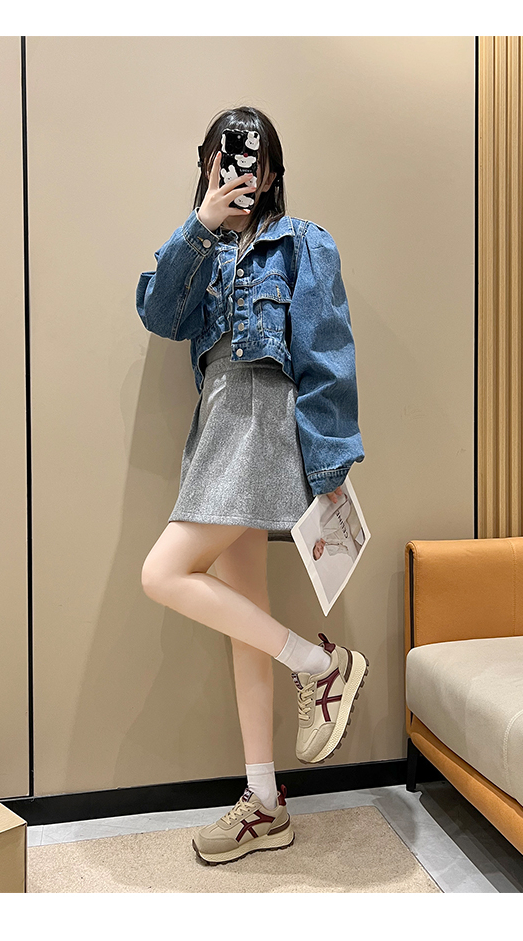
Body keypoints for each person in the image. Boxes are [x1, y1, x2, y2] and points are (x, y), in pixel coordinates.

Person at [136, 106, 368, 866]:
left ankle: (320, 665)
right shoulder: (197, 246)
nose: (242, 171)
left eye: (255, 159)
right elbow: (160, 315)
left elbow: (327, 355)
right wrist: (201, 223)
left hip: (263, 423)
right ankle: (265, 802)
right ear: (208, 162)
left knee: (162, 574)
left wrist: (329, 469)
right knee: (246, 624)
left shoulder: (303, 243)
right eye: (227, 157)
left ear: (272, 172)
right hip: (217, 425)